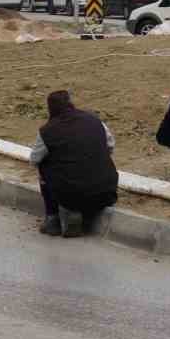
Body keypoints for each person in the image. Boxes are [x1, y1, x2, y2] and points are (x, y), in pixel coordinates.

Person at [29, 90, 119, 237]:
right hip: (107, 193)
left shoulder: (47, 131)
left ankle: (52, 219)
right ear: (71, 103)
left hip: (71, 197)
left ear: (50, 109)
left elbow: (34, 160)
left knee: (43, 166)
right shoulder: (95, 121)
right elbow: (110, 146)